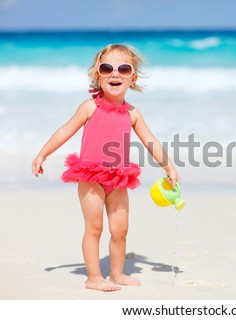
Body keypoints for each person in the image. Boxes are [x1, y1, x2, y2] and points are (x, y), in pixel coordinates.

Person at [31, 44, 180, 292]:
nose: (115, 74)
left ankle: (117, 273)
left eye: (123, 69)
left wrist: (169, 167)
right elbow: (65, 130)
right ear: (97, 75)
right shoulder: (89, 107)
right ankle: (93, 277)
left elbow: (150, 140)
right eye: (107, 68)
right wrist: (43, 154)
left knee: (120, 229)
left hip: (119, 178)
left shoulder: (133, 113)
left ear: (132, 78)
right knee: (95, 227)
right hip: (90, 175)